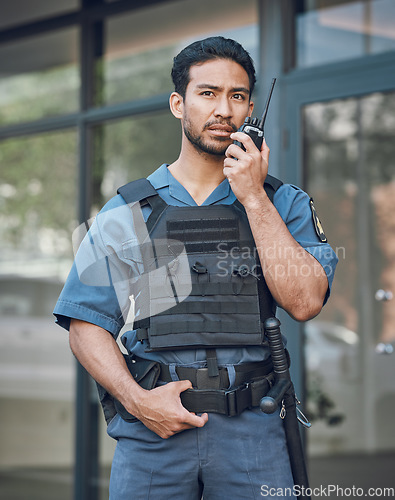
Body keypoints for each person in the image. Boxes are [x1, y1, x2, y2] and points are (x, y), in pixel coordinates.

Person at [54, 36, 338, 499]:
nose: (224, 109)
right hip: (153, 433)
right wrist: (137, 402)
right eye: (207, 93)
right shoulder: (129, 209)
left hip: (254, 431)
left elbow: (304, 302)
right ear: (177, 104)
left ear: (250, 110)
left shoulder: (282, 203)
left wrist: (252, 195)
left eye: (238, 95)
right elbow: (85, 322)